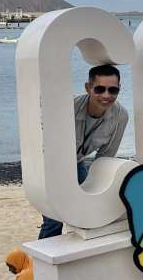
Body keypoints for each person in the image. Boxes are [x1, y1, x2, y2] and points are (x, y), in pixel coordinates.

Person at [38, 64, 129, 239]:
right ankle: (40, 266)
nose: (106, 95)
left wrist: (100, 185)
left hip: (77, 162)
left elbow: (105, 158)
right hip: (50, 164)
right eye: (100, 89)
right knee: (54, 220)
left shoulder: (120, 116)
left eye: (113, 90)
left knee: (87, 213)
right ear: (88, 87)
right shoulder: (67, 109)